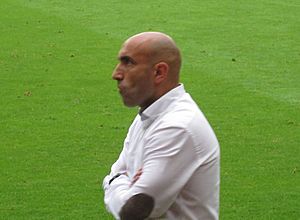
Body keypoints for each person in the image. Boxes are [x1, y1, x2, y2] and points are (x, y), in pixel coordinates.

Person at [102, 32, 220, 220]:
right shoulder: (149, 115)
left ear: (159, 72)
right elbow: (117, 174)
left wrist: (115, 182)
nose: (116, 74)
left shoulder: (177, 128)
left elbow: (133, 212)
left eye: (129, 62)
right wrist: (122, 182)